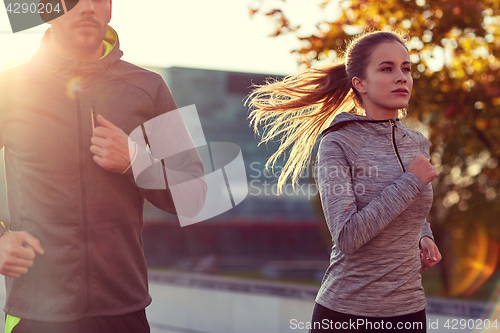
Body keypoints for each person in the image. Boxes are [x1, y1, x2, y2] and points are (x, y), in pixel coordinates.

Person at [0, 1, 206, 332]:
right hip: (34, 312)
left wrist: (137, 162)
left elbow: (196, 194)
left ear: (110, 8)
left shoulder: (149, 87)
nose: (87, 9)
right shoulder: (9, 88)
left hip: (123, 310)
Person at [247, 30, 442, 332]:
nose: (402, 77)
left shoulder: (416, 143)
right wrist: (410, 181)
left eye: (406, 68)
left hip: (410, 313)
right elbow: (348, 236)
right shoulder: (338, 143)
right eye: (387, 68)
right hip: (348, 315)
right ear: (359, 83)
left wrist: (423, 234)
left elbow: (413, 208)